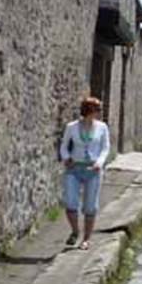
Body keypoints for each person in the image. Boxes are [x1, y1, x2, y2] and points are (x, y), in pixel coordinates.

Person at [59, 96, 110, 251]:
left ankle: (86, 239)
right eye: (97, 110)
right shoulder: (72, 127)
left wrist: (99, 163)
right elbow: (63, 146)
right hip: (74, 169)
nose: (99, 112)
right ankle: (75, 231)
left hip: (93, 170)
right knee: (70, 202)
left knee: (90, 206)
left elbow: (105, 147)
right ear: (89, 111)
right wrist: (67, 158)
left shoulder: (102, 127)